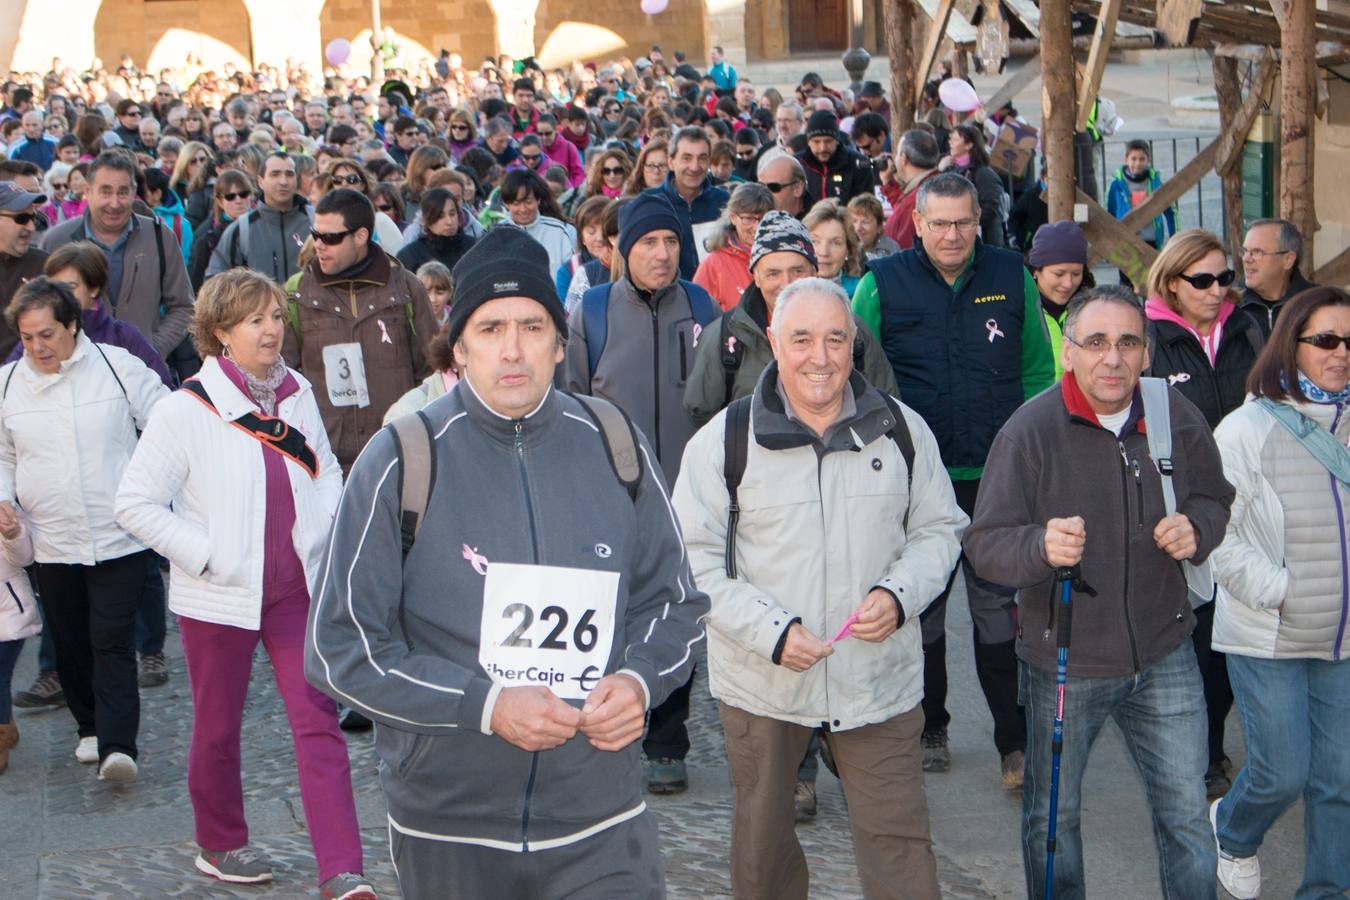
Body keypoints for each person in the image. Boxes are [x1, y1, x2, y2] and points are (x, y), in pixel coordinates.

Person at [305, 225, 708, 898]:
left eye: (531, 325)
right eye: (490, 329)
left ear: (560, 343)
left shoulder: (615, 445)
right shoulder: (400, 457)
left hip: (600, 819)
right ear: (457, 347)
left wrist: (638, 682)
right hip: (451, 825)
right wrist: (485, 706)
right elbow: (341, 649)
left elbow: (675, 603)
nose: (513, 349)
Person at [673, 276, 964, 899]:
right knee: (763, 848)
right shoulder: (723, 442)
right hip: (763, 681)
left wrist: (898, 595)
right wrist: (772, 632)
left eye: (836, 338)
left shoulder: (902, 430)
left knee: (901, 848)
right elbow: (692, 562)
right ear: (773, 341)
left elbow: (940, 530)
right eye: (801, 338)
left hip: (875, 677)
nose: (820, 356)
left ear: (854, 342)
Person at [964, 283, 1233, 897]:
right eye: (1095, 342)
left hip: (1166, 654)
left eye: (1128, 343)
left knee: (1188, 820)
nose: (1112, 358)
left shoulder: (1174, 415)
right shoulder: (1027, 433)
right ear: (1068, 352)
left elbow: (1215, 497)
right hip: (1065, 666)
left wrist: (1198, 528)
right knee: (1052, 823)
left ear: (1146, 354)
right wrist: (1039, 547)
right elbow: (985, 544)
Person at [113, 269, 372, 898]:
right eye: (255, 319)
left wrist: (324, 536)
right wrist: (206, 557)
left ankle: (343, 869)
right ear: (221, 332)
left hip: (294, 594)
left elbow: (327, 469)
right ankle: (220, 844)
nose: (271, 329)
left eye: (276, 316)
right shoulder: (185, 409)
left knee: (318, 723)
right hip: (218, 597)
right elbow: (135, 503)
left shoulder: (298, 391)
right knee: (217, 726)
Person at [853, 172, 1055, 783]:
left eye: (963, 222)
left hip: (995, 479)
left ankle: (1013, 743)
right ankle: (931, 726)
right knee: (926, 612)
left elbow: (1039, 374)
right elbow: (858, 379)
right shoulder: (880, 284)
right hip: (917, 482)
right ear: (916, 223)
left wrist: (1036, 463)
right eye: (938, 222)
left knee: (998, 614)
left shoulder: (1009, 274)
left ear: (979, 221)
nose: (951, 234)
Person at [561, 191, 719, 794]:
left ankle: (667, 741)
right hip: (613, 490)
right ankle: (613, 719)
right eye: (648, 242)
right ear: (623, 249)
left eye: (671, 241)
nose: (661, 253)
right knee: (619, 610)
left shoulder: (702, 304)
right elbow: (572, 400)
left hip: (686, 487)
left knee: (675, 608)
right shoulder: (593, 311)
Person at [1209, 286, 1350, 900]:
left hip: (1344, 636)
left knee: (1340, 779)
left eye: (1349, 342)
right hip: (1269, 630)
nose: (1341, 353)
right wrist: (1281, 590)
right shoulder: (1245, 428)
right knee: (1280, 774)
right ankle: (1234, 832)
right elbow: (1216, 532)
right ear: (1289, 345)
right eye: (1326, 340)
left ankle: (1326, 890)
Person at [0, 277, 169, 784]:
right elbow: (2, 454)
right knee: (71, 643)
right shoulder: (7, 383)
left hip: (119, 533)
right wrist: (4, 500)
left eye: (47, 334)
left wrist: (149, 491)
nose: (37, 347)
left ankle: (120, 747)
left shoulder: (118, 368)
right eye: (28, 337)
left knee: (112, 639)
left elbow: (166, 424)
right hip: (51, 540)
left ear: (73, 325)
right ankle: (90, 727)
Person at [1142, 229, 1263, 796]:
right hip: (1182, 513)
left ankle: (1210, 743)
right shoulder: (1148, 338)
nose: (1217, 290)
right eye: (1203, 280)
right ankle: (1201, 754)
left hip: (1250, 508)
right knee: (1195, 639)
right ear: (1172, 281)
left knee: (1234, 638)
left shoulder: (1250, 329)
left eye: (1224, 278)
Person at [685, 209, 897, 428]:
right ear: (756, 277)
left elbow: (886, 404)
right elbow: (702, 415)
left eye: (797, 271)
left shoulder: (851, 329)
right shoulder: (726, 338)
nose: (786, 283)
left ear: (814, 271)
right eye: (773, 273)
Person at [282, 188, 435, 471]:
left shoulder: (406, 288)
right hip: (325, 460)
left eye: (331, 238)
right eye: (316, 235)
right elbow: (283, 378)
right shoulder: (296, 293)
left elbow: (432, 374)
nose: (319, 245)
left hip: (395, 453)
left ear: (361, 236)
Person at [41, 151, 194, 361]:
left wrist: (152, 349)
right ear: (88, 191)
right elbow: (42, 310)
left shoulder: (160, 237)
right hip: (76, 376)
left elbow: (184, 307)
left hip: (144, 378)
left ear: (134, 193)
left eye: (122, 192)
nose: (115, 203)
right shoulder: (57, 241)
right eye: (105, 192)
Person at [207, 151, 311, 284]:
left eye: (290, 174)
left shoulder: (316, 222)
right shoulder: (241, 230)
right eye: (275, 174)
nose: (283, 181)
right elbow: (217, 282)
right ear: (260, 181)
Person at [645, 127, 729, 280]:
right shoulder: (650, 203)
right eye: (687, 158)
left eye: (702, 158)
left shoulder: (725, 203)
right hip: (667, 296)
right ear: (671, 161)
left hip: (715, 296)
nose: (695, 167)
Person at [693, 181, 772, 311]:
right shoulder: (713, 265)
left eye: (763, 219)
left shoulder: (782, 257)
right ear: (733, 218)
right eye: (748, 219)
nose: (757, 227)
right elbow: (698, 315)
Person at [1106, 139, 1176, 285]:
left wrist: (1173, 238)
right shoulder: (1116, 185)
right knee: (1126, 285)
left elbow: (1171, 212)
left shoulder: (1156, 182)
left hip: (1150, 241)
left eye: (1142, 159)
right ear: (1126, 159)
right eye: (1134, 159)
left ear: (1148, 160)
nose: (1137, 163)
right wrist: (1110, 241)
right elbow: (1109, 213)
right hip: (1125, 242)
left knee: (1151, 283)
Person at [1027, 221, 1091, 379]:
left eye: (1076, 274)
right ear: (1036, 270)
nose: (1068, 284)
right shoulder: (1019, 310)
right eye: (1058, 274)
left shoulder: (1091, 311)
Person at [1237, 217, 1317, 338]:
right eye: (1244, 251)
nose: (1246, 259)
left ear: (1288, 260)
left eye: (1257, 251)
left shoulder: (1318, 304)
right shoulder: (1229, 304)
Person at [0, 181, 49, 359]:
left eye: (33, 218)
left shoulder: (45, 265)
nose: (31, 227)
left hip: (31, 380)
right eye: (21, 219)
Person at [939, 124, 1006, 248]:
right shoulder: (948, 168)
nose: (950, 143)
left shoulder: (984, 173)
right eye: (950, 139)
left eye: (955, 139)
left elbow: (990, 206)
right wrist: (940, 170)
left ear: (969, 145)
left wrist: (966, 226)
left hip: (983, 241)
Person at [187, 168, 254, 291]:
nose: (238, 200)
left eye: (243, 194)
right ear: (220, 201)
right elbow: (197, 285)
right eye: (230, 196)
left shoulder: (266, 227)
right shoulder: (207, 239)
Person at [794, 110, 875, 207]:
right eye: (816, 142)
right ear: (808, 141)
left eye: (828, 141)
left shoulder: (858, 164)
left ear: (837, 140)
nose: (823, 148)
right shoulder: (796, 164)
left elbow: (865, 207)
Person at [396, 187, 476, 274]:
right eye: (440, 216)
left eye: (452, 214)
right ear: (427, 219)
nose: (449, 221)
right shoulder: (410, 255)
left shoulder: (473, 247)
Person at [882, 130, 939, 250]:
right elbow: (902, 208)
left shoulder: (917, 199)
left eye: (897, 153)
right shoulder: (932, 184)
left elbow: (905, 248)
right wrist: (888, 183)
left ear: (904, 159)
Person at [803, 199, 861, 295]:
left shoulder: (860, 295)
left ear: (848, 250)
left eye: (836, 243)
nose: (824, 252)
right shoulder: (787, 289)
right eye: (815, 241)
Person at [757, 155, 815, 221]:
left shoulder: (817, 225)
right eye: (760, 186)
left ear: (798, 188)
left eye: (773, 187)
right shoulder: (752, 221)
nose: (765, 194)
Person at [847, 193, 900, 262]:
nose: (858, 228)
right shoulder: (844, 246)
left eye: (865, 221)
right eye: (854, 221)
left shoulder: (890, 251)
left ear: (879, 226)